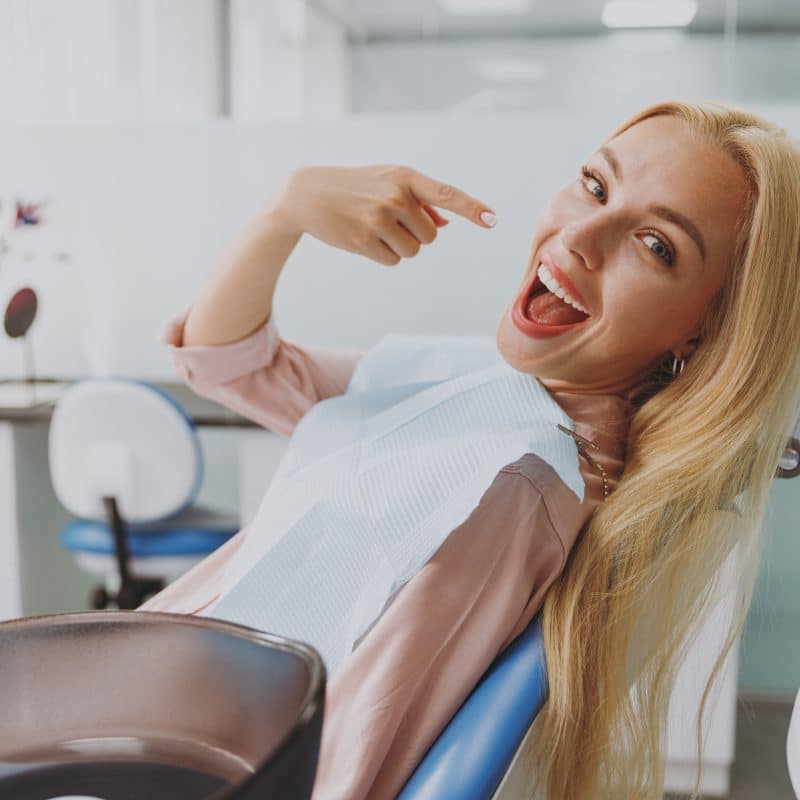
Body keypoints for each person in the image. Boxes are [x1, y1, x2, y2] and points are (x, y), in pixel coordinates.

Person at [139, 99, 800, 799]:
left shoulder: (514, 482)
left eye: (656, 245)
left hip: (159, 744)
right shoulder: (498, 382)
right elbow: (233, 366)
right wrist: (286, 212)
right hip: (156, 706)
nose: (580, 234)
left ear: (702, 331)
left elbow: (341, 752)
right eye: (596, 186)